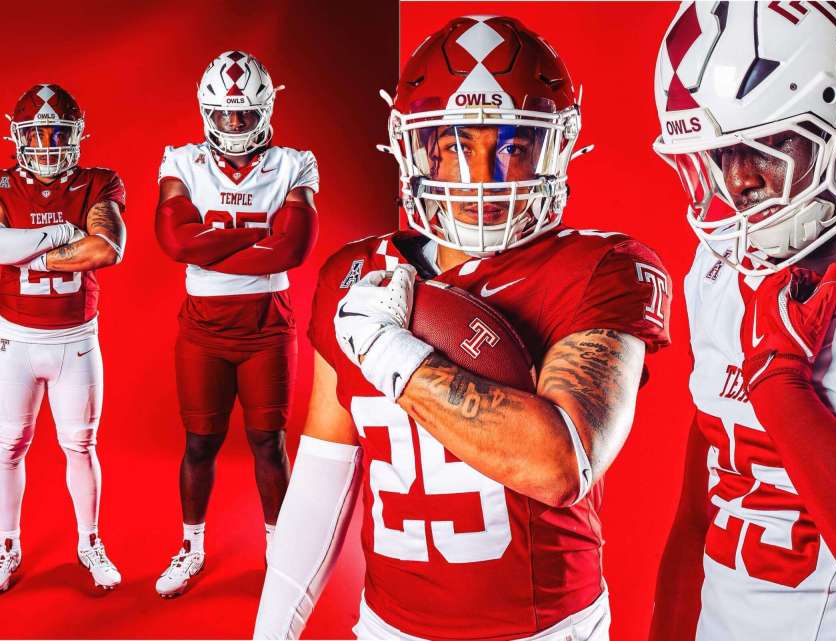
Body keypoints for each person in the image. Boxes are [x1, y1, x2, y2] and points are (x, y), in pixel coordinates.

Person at [254, 15, 671, 640]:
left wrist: (390, 352)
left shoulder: (602, 267)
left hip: (546, 630)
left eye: (512, 145)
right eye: (455, 145)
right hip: (388, 625)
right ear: (413, 148)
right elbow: (323, 474)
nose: (484, 176)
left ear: (554, 148)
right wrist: (271, 630)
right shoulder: (354, 270)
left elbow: (561, 463)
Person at [649, 2, 836, 639]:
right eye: (717, 152)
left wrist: (781, 390)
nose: (736, 181)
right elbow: (703, 508)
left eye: (764, 145)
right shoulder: (718, 270)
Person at [153, 51, 318, 598]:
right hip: (203, 327)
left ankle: (279, 547)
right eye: (224, 115)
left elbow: (292, 249)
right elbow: (175, 241)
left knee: (268, 442)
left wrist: (210, 247)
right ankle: (192, 545)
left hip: (268, 326)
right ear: (206, 111)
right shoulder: (181, 160)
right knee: (200, 442)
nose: (233, 126)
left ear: (266, 109)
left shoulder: (295, 162)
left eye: (245, 115)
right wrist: (257, 237)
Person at [0, 83, 127, 593]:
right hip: (15, 341)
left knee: (80, 446)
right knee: (9, 444)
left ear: (76, 135)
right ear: (16, 135)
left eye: (56, 131)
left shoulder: (99, 183)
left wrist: (27, 248)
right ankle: (8, 544)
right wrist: (63, 234)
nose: (44, 142)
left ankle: (89, 541)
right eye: (35, 132)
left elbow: (105, 248)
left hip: (75, 340)